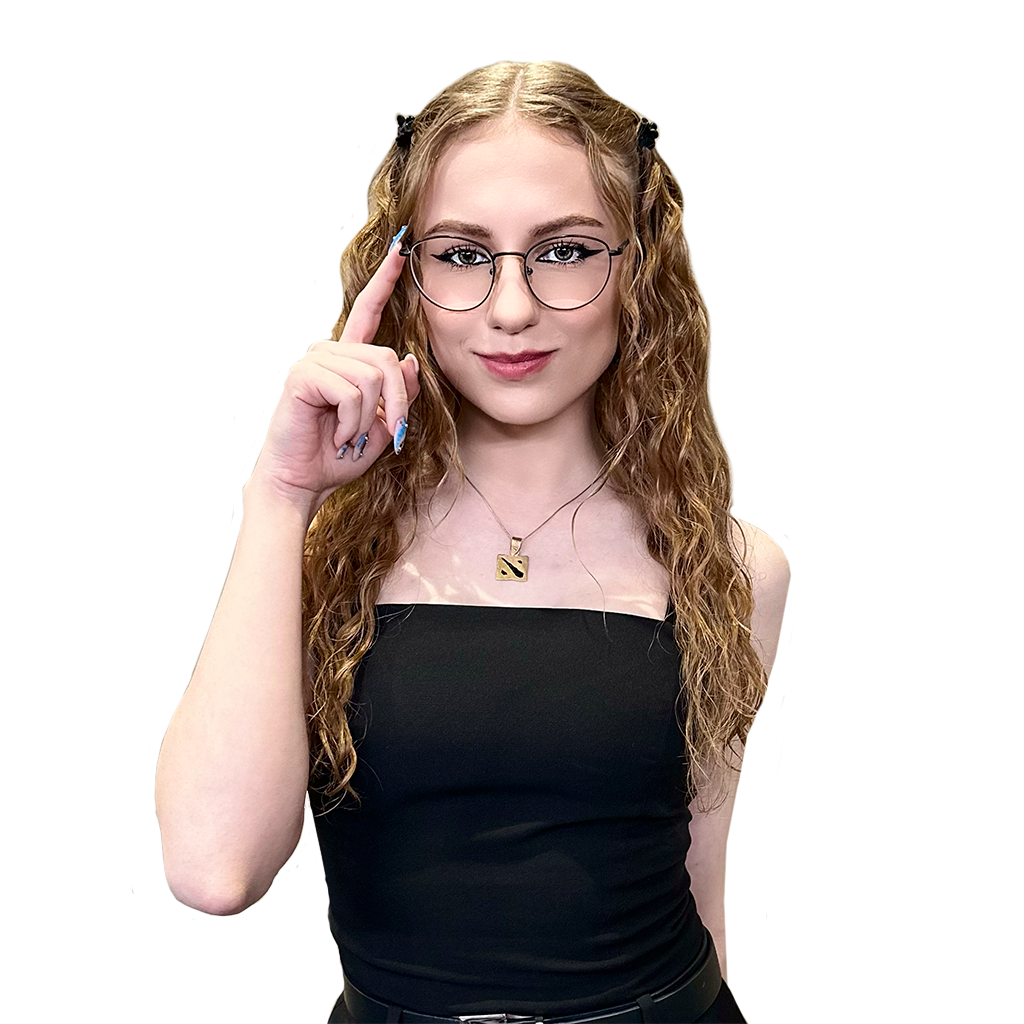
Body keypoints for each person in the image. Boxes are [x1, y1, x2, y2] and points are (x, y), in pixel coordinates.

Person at [154, 58, 791, 1024]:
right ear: (405, 273)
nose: (511, 308)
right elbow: (213, 869)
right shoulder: (314, 564)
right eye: (461, 254)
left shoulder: (731, 568)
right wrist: (280, 497)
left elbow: (702, 883)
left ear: (639, 265)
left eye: (565, 250)